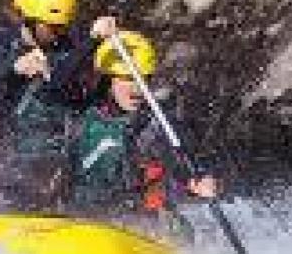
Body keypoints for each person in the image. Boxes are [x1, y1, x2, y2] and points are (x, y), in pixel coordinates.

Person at [0, 0, 119, 211]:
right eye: (52, 27)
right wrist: (12, 72)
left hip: (55, 161)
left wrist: (96, 43)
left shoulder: (67, 45)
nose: (59, 34)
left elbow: (62, 83)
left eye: (63, 26)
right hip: (6, 166)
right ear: (27, 19)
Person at [72, 31, 217, 217]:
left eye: (143, 80)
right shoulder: (78, 117)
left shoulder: (159, 126)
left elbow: (186, 164)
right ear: (107, 81)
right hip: (78, 220)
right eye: (128, 79)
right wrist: (92, 38)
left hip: (138, 227)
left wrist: (197, 182)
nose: (137, 90)